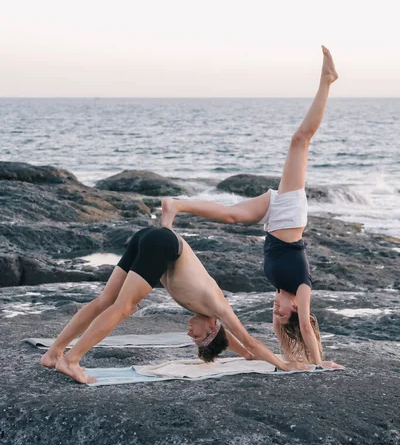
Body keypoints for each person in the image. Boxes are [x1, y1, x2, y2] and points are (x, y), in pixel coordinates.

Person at [162, 46, 343, 369]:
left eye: (275, 312)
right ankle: (327, 81)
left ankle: (177, 204)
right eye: (280, 310)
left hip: (272, 221)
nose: (275, 309)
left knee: (232, 215)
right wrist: (318, 363)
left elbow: (282, 330)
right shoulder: (302, 288)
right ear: (296, 308)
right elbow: (303, 326)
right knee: (299, 140)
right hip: (288, 217)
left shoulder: (281, 290)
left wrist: (288, 358)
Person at [41, 226, 308, 383]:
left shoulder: (207, 315)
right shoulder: (219, 307)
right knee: (124, 307)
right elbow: (249, 344)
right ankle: (71, 359)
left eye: (194, 340)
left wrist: (244, 355)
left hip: (151, 237)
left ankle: (54, 353)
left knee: (106, 301)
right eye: (199, 337)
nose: (190, 335)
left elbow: (242, 350)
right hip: (163, 242)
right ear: (213, 329)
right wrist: (284, 365)